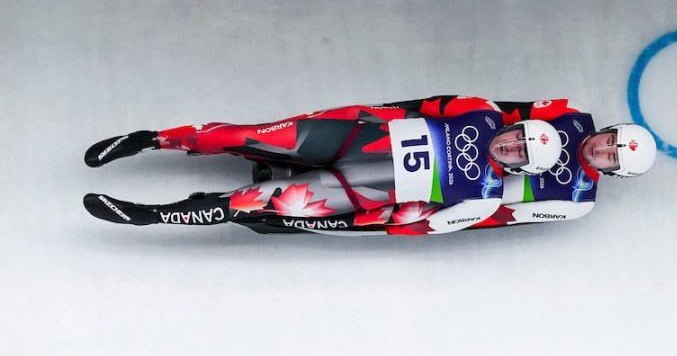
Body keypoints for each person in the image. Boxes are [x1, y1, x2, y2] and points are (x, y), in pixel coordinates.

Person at [83, 95, 562, 235]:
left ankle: (152, 215)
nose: (511, 145)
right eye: (517, 136)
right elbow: (416, 105)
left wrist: (352, 219)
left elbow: (416, 224)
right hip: (353, 136)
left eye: (520, 153)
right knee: (241, 136)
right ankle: (150, 140)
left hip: (354, 187)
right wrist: (360, 116)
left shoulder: (482, 196)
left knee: (249, 203)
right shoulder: (481, 113)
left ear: (521, 169)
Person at [470, 99, 657, 228]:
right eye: (609, 140)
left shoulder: (580, 201)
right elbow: (508, 114)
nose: (600, 149)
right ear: (610, 129)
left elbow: (504, 216)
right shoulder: (573, 111)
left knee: (494, 194)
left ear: (613, 172)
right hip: (483, 141)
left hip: (477, 182)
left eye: (611, 157)